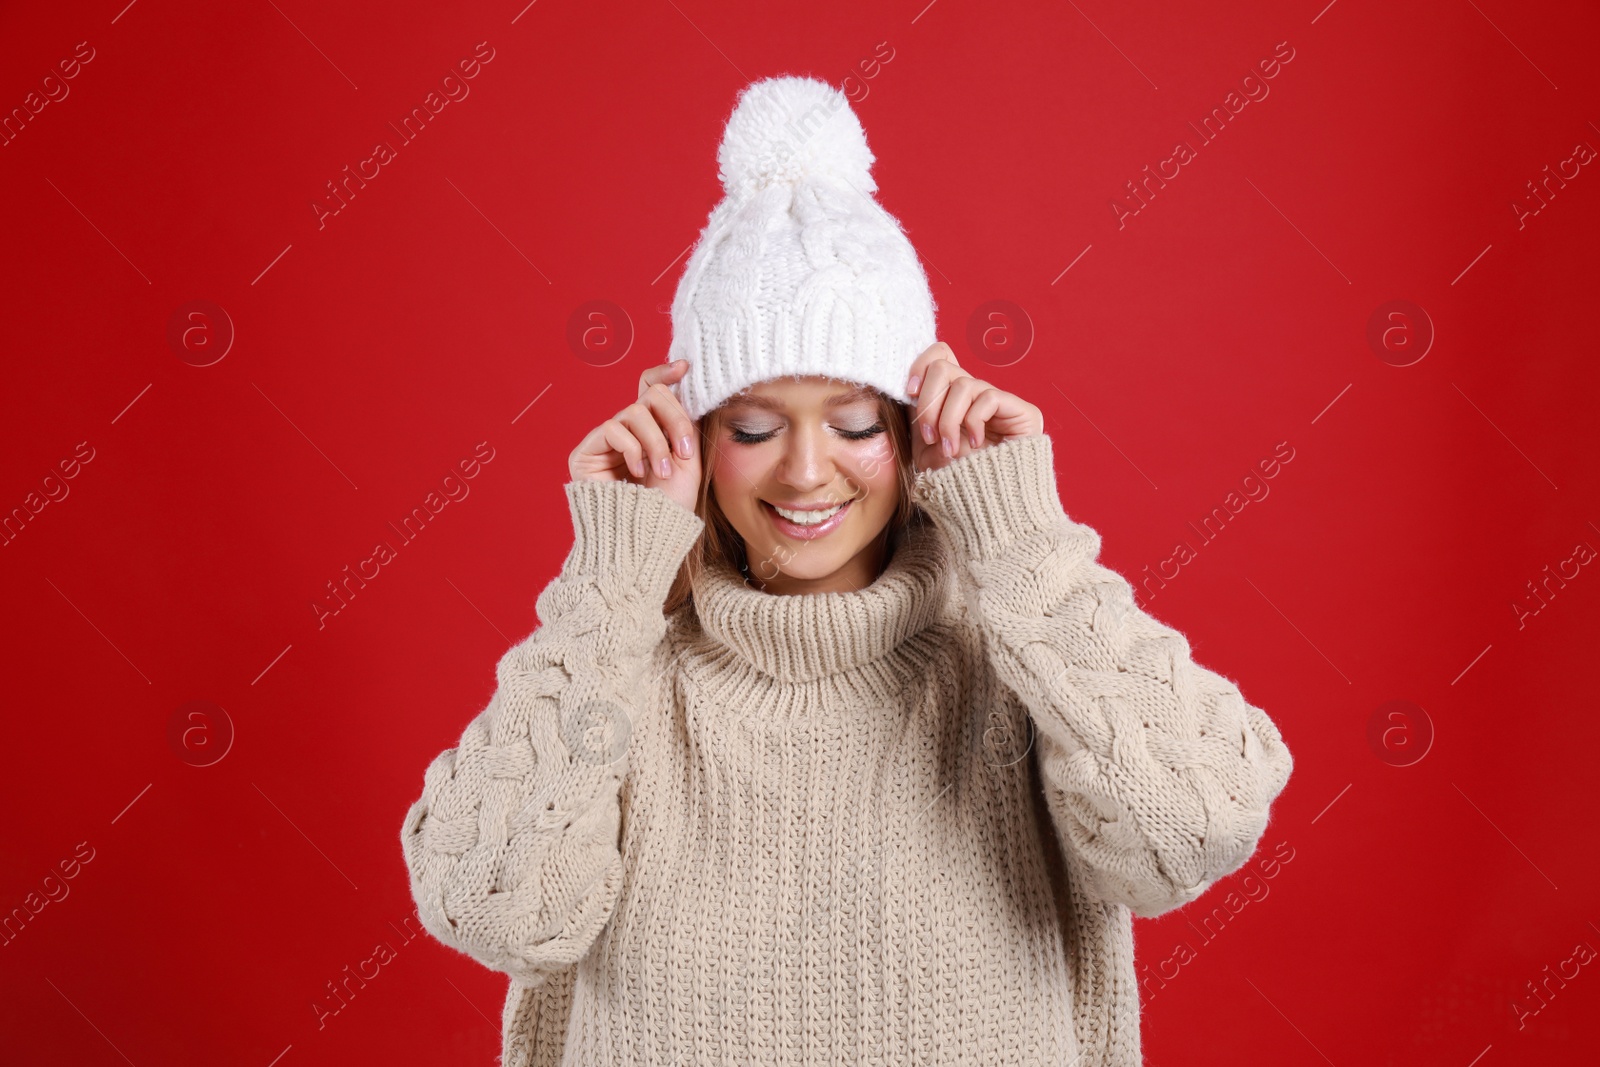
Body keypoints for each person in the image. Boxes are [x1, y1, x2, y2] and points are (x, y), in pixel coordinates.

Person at [399, 76, 1294, 1067]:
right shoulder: (619, 671)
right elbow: (491, 905)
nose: (808, 469)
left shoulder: (1021, 660)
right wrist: (608, 581)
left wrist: (1025, 540)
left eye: (857, 421)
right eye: (751, 425)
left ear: (915, 430)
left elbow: (1193, 826)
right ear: (692, 436)